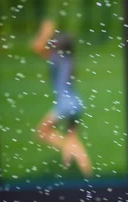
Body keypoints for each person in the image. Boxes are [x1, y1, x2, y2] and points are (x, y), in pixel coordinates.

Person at [31, 19, 93, 178]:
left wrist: (46, 31)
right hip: (76, 103)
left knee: (42, 132)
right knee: (72, 138)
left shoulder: (57, 59)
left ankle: (75, 158)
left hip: (65, 104)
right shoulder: (69, 59)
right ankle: (85, 173)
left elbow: (37, 47)